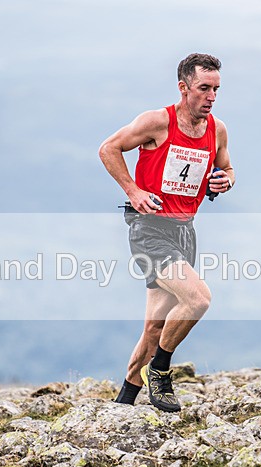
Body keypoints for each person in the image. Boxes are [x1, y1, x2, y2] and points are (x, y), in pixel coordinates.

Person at [98, 52, 235, 412]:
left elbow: (227, 168)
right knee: (198, 298)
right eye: (204, 88)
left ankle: (124, 404)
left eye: (216, 89)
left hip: (185, 230)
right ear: (183, 87)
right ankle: (159, 370)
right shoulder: (157, 121)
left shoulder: (217, 129)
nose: (211, 97)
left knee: (155, 328)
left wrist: (225, 181)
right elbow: (108, 148)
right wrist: (133, 190)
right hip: (149, 229)